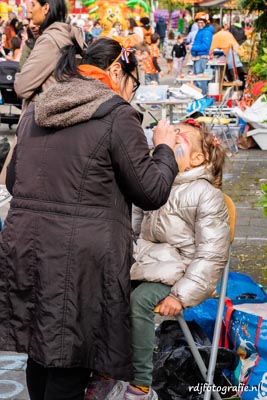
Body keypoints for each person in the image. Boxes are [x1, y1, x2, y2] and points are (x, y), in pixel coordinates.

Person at [0, 37, 178, 400]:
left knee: (41, 352)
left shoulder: (38, 107)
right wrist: (165, 149)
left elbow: (14, 180)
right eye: (133, 83)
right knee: (70, 359)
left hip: (28, 246)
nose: (132, 93)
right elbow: (151, 192)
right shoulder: (116, 114)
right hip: (80, 260)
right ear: (116, 70)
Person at [127, 120, 231, 399]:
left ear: (197, 159)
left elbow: (211, 254)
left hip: (180, 273)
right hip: (146, 264)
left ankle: (140, 383)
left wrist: (181, 295)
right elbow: (132, 231)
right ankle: (108, 369)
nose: (167, 140)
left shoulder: (205, 195)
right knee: (103, 290)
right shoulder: (153, 185)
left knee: (140, 301)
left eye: (177, 138)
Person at [14, 0, 84, 105]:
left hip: (44, 114)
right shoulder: (67, 34)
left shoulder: (49, 40)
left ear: (46, 8)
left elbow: (21, 87)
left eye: (33, 5)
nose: (31, 10)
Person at [210, 23, 246, 91]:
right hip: (236, 53)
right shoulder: (227, 33)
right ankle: (240, 86)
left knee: (222, 68)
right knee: (237, 72)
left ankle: (229, 86)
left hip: (230, 57)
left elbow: (211, 49)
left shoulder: (216, 36)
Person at [191, 14, 214, 95]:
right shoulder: (202, 31)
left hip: (201, 58)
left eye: (201, 22)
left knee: (200, 81)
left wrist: (192, 48)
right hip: (198, 58)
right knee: (198, 80)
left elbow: (205, 46)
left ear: (206, 22)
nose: (199, 24)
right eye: (198, 22)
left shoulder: (206, 32)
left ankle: (202, 97)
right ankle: (199, 97)